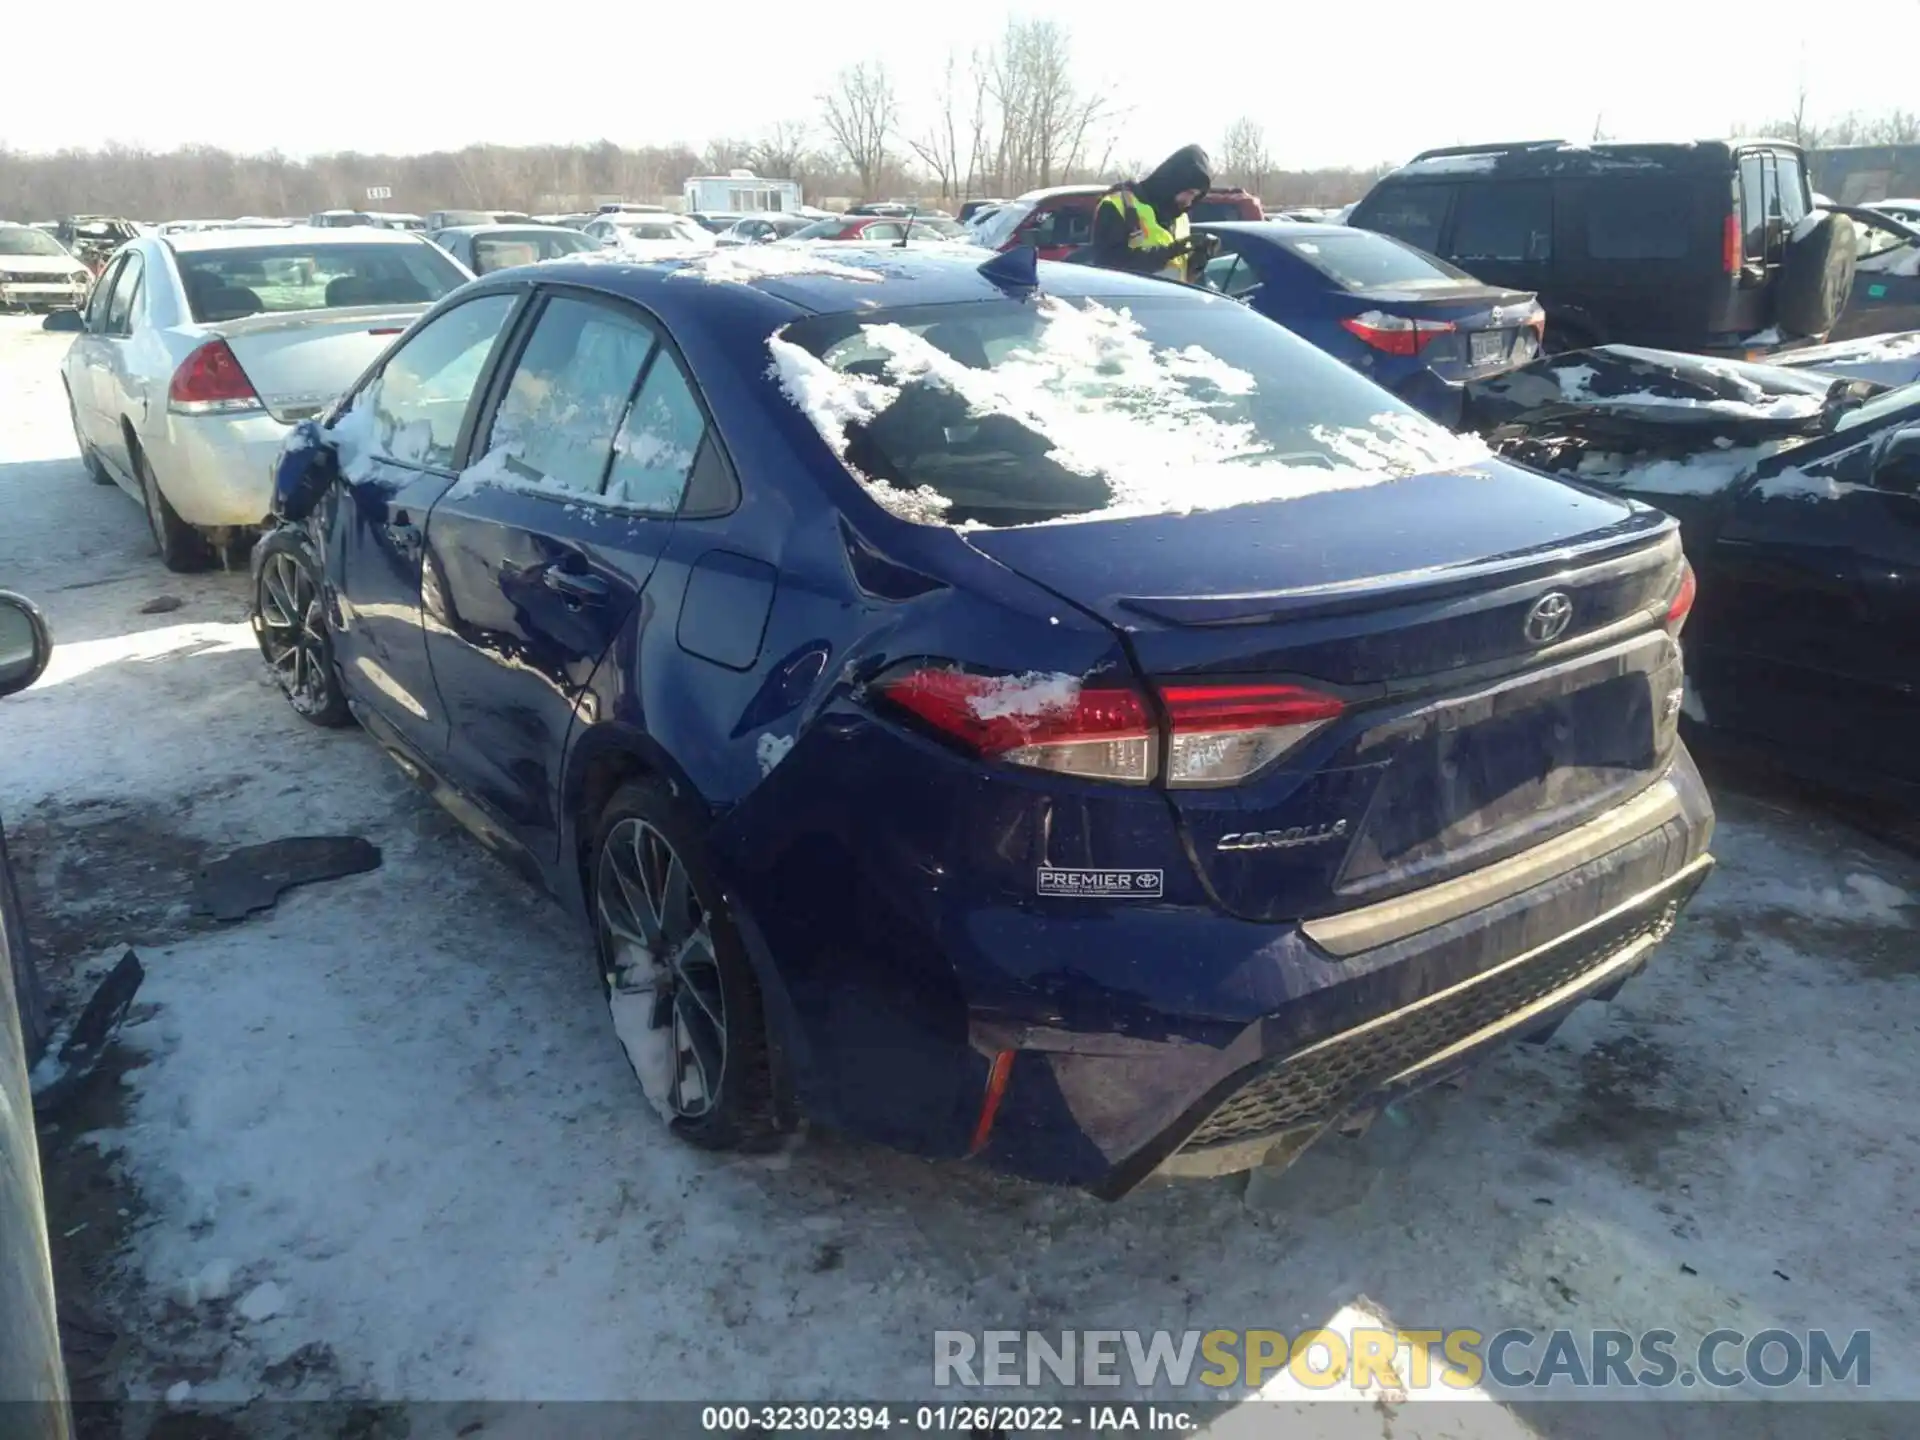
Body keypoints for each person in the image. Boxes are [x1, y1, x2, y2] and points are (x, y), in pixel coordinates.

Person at [1086, 144, 1219, 282]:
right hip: (1128, 302)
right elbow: (1107, 265)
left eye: (1195, 196)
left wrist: (1198, 261)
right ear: (1174, 183)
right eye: (1189, 193)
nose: (1189, 202)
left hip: (1170, 301)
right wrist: (1168, 252)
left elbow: (1179, 273)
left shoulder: (1180, 218)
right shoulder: (1119, 205)